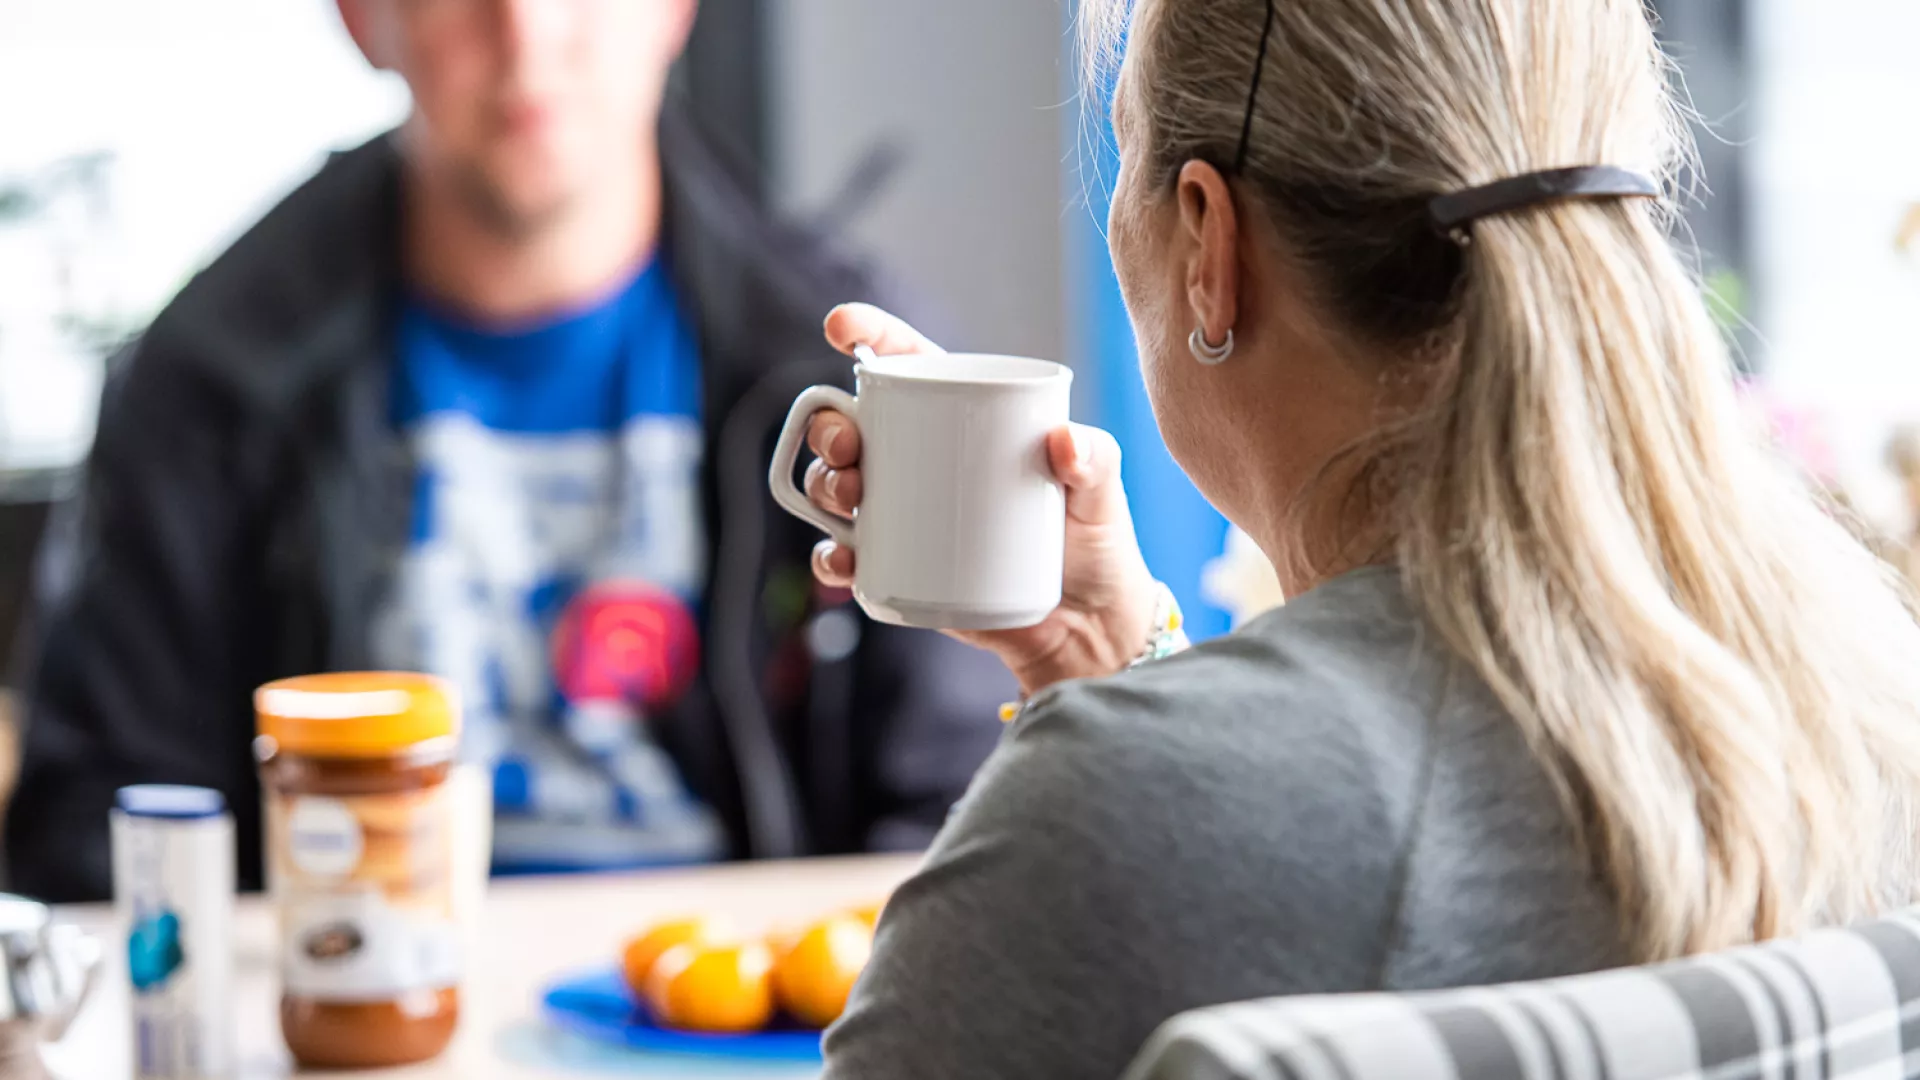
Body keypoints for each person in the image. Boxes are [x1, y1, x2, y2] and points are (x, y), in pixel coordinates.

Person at [798, 1, 1920, 1076]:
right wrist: (1113, 668)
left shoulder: (1115, 820)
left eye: (1124, 151)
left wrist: (1134, 749)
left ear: (1207, 241)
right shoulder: (1866, 694)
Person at [5, 0, 1012, 902]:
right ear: (365, 20)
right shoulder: (207, 382)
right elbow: (100, 830)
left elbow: (971, 799)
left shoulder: (847, 365)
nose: (527, 33)